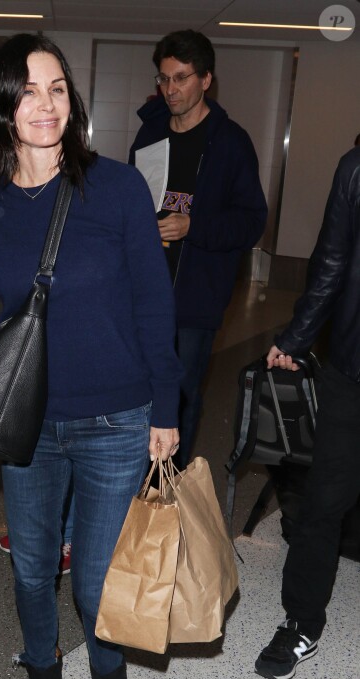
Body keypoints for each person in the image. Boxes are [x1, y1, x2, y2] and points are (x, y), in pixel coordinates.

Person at [0, 33, 182, 679]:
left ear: (73, 102)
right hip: (27, 422)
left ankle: (109, 678)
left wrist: (166, 409)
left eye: (58, 89)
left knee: (95, 585)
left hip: (116, 417)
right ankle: (43, 674)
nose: (46, 105)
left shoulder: (117, 189)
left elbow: (153, 307)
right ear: (2, 107)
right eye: (29, 91)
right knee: (34, 569)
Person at [129, 29, 267, 469]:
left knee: (183, 395)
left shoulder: (230, 143)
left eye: (182, 78)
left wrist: (194, 226)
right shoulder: (149, 133)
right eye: (164, 79)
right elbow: (132, 199)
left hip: (195, 299)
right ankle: (128, 485)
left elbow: (251, 221)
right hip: (143, 288)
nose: (171, 89)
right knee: (134, 389)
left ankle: (165, 493)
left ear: (206, 80)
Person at [255, 145, 360, 679]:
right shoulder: (356, 166)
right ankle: (301, 622)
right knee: (324, 500)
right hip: (353, 367)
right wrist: (297, 337)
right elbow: (333, 260)